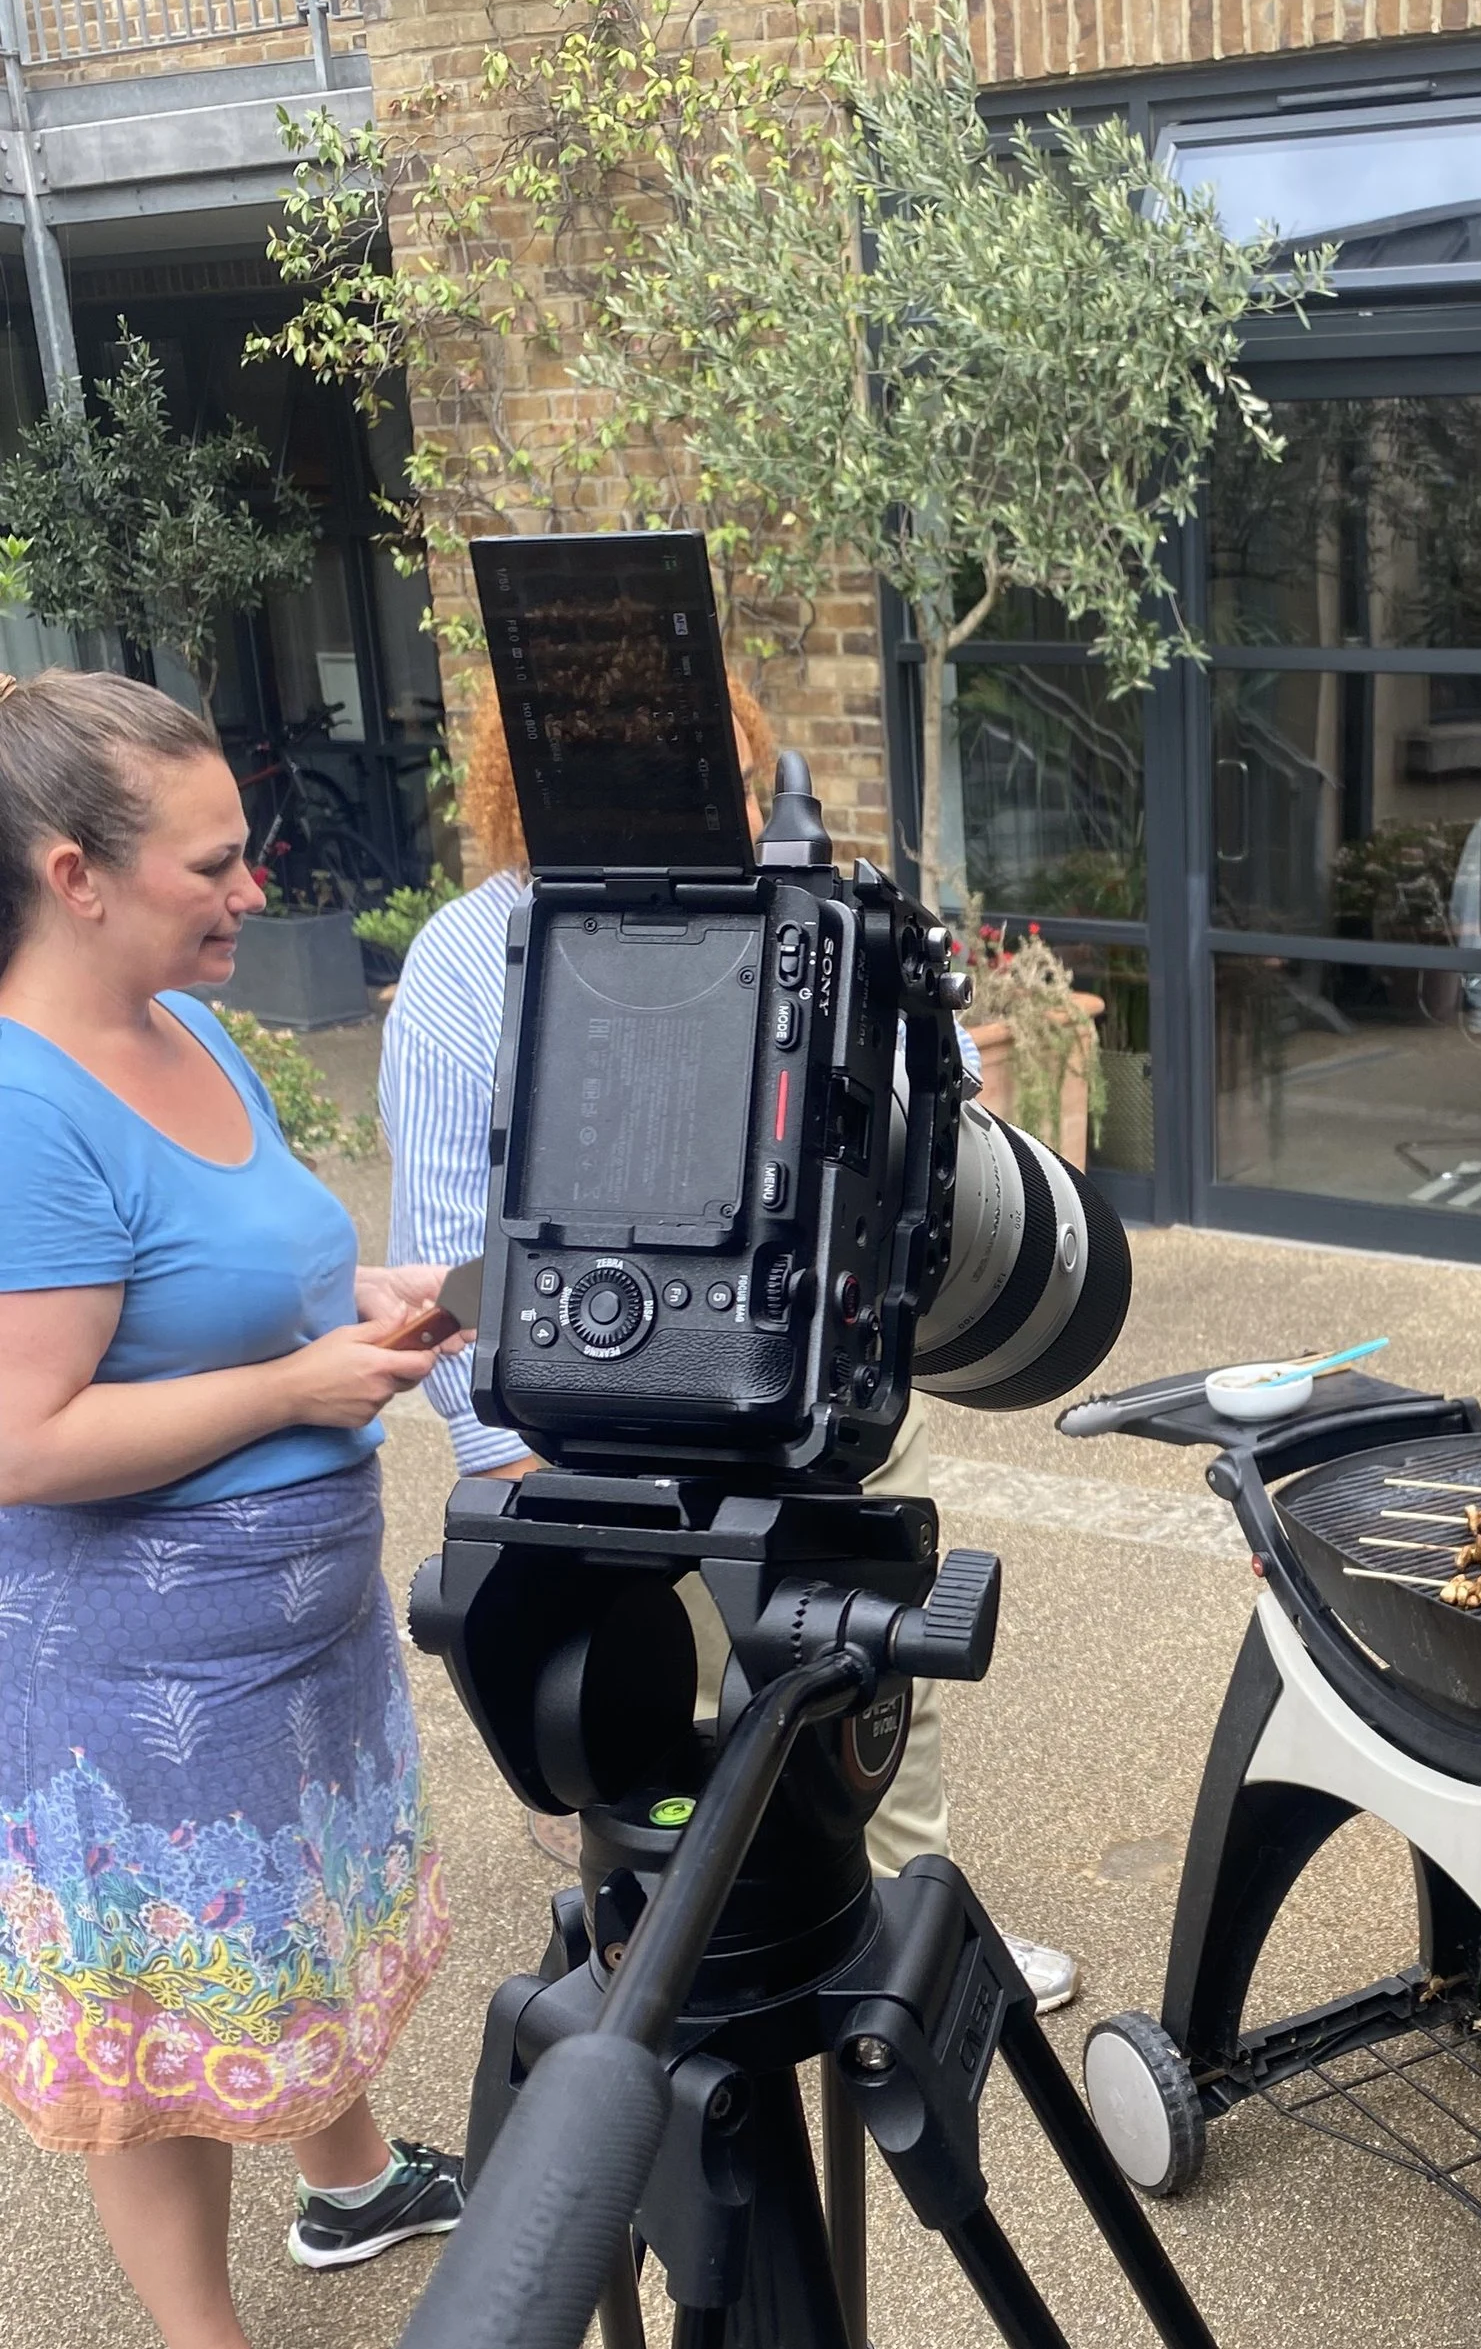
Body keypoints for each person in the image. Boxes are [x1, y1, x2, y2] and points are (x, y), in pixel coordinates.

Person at [380, 691, 1082, 2011]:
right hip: (623, 1441)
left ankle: (905, 1950)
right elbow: (442, 1253)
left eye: (748, 786)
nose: (739, 814)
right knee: (697, 1734)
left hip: (828, 1384)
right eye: (724, 783)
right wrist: (534, 1481)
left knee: (873, 1684)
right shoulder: (467, 963)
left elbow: (949, 1099)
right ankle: (693, 1989)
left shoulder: (798, 925)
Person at [0, 671, 466, 2349]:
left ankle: (345, 2178)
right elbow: (26, 1437)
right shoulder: (27, 1110)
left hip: (292, 1639)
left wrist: (362, 1296)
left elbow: (239, 1268)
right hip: (134, 1675)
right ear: (72, 876)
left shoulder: (183, 1021)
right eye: (211, 858)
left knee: (299, 1926)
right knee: (171, 2013)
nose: (252, 883)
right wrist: (291, 1393)